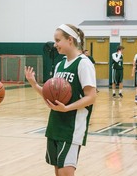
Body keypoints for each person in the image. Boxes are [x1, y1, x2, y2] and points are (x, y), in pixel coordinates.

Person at [25, 24, 96, 176]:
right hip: (55, 124)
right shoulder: (60, 65)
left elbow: (91, 97)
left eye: (58, 40)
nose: (55, 44)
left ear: (70, 40)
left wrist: (67, 108)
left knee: (65, 173)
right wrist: (34, 84)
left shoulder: (84, 63)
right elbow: (50, 94)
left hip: (72, 127)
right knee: (58, 173)